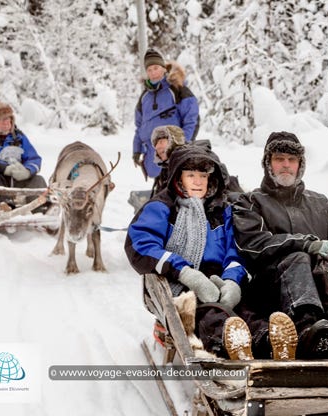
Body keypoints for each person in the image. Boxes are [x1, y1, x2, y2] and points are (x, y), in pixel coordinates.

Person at [232, 131, 328, 359]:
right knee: (298, 257)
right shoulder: (251, 202)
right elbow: (251, 244)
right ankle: (306, 329)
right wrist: (306, 245)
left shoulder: (319, 202)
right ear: (268, 163)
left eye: (292, 160)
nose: (286, 165)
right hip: (271, 290)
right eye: (279, 159)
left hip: (322, 283)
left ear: (300, 165)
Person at [125, 145, 248, 358]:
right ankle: (229, 352)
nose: (198, 181)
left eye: (203, 175)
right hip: (179, 283)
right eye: (191, 175)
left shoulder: (222, 211)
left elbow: (235, 251)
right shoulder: (163, 207)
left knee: (248, 309)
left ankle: (267, 341)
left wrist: (232, 281)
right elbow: (141, 245)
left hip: (217, 281)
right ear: (179, 177)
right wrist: (187, 274)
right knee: (208, 313)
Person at [132, 48, 200, 180]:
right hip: (152, 154)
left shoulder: (177, 90)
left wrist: (184, 145)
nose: (153, 73)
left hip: (174, 153)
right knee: (160, 188)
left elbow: (191, 120)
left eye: (156, 68)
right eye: (149, 70)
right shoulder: (144, 97)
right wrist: (137, 149)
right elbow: (139, 126)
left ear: (164, 68)